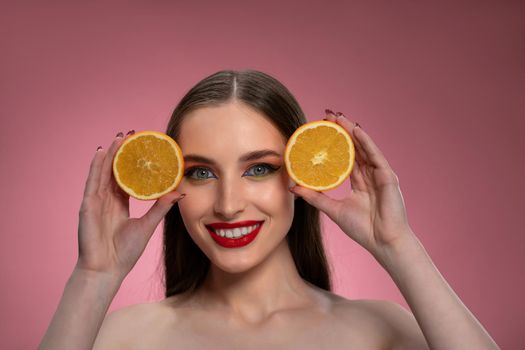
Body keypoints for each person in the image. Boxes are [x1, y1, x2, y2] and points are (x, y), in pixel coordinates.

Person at [39, 69, 500, 349]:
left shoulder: (380, 331)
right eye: (201, 173)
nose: (228, 204)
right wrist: (94, 278)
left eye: (258, 169)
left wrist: (398, 245)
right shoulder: (124, 338)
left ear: (300, 175)